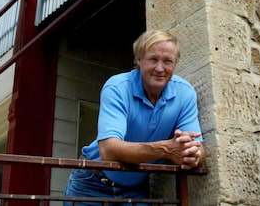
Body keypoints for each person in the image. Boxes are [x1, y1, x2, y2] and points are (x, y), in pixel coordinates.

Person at [63, 29, 205, 204]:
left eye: (168, 61)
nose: (160, 68)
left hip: (136, 188)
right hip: (92, 182)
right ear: (139, 60)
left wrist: (193, 154)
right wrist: (166, 149)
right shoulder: (117, 87)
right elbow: (108, 150)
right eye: (153, 59)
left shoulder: (185, 93)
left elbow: (198, 146)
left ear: (175, 64)